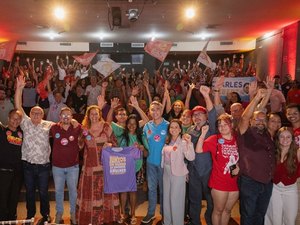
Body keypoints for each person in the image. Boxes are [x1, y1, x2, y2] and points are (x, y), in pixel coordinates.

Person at [14, 75, 53, 224]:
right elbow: (18, 105)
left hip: (43, 166)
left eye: (39, 113)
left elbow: (65, 126)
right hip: (28, 165)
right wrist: (19, 88)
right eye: (33, 113)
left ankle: (46, 214)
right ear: (29, 114)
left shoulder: (49, 125)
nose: (36, 114)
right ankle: (30, 215)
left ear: (43, 115)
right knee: (30, 192)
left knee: (43, 192)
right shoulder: (25, 123)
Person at [237, 88, 276, 225]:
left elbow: (260, 112)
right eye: (257, 119)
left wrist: (269, 92)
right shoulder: (245, 132)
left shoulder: (266, 134)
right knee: (248, 215)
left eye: (263, 120)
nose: (260, 121)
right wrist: (257, 97)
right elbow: (245, 117)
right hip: (250, 182)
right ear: (251, 121)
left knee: (260, 215)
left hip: (267, 182)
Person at [76, 105, 120, 225]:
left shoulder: (106, 127)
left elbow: (115, 143)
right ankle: (93, 219)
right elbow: (79, 146)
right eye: (92, 114)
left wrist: (110, 145)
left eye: (96, 114)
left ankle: (106, 218)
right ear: (88, 116)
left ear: (100, 115)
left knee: (106, 194)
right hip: (89, 169)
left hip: (105, 167)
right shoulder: (84, 129)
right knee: (91, 194)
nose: (94, 116)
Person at [196, 114, 239, 225]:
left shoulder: (238, 139)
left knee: (227, 210)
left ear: (232, 125)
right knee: (218, 210)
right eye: (220, 125)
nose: (222, 127)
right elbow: (199, 149)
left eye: (226, 124)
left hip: (235, 182)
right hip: (219, 181)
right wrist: (203, 134)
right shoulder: (214, 139)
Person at [187, 85, 216, 225]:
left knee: (211, 200)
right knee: (194, 199)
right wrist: (186, 169)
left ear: (205, 116)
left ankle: (210, 221)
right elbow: (186, 153)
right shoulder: (189, 131)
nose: (197, 117)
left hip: (209, 171)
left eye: (200, 114)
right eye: (194, 115)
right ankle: (195, 222)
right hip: (193, 172)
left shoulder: (211, 129)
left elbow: (212, 112)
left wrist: (206, 96)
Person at [50, 107, 82, 224]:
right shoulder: (54, 128)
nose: (66, 117)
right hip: (57, 167)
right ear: (60, 117)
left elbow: (87, 134)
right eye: (63, 115)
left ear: (72, 117)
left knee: (73, 191)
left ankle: (73, 213)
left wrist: (78, 124)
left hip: (73, 167)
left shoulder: (76, 127)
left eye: (68, 115)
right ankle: (59, 213)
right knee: (58, 191)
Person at [162, 119, 195, 225]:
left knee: (176, 200)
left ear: (180, 129)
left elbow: (191, 157)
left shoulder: (183, 142)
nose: (174, 129)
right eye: (171, 127)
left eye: (176, 127)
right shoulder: (167, 141)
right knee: (166, 199)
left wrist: (190, 143)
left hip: (178, 174)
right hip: (166, 172)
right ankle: (167, 222)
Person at [265, 127, 300, 225]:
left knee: (290, 220)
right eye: (282, 137)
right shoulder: (272, 152)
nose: (285, 139)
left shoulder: (297, 152)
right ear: (278, 138)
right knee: (275, 219)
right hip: (275, 189)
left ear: (292, 139)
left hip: (291, 190)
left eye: (288, 137)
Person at [142, 101, 169, 224]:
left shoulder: (168, 125)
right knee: (152, 189)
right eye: (152, 109)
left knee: (163, 190)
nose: (155, 112)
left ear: (161, 110)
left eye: (158, 109)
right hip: (151, 163)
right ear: (149, 111)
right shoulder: (147, 126)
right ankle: (151, 213)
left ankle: (164, 214)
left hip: (164, 164)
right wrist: (146, 148)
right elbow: (144, 139)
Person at [0, 109, 23, 221]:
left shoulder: (22, 133)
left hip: (17, 172)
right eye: (13, 118)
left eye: (18, 118)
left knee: (14, 199)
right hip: (3, 171)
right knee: (2, 199)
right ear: (8, 119)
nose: (16, 120)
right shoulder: (2, 131)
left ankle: (12, 220)